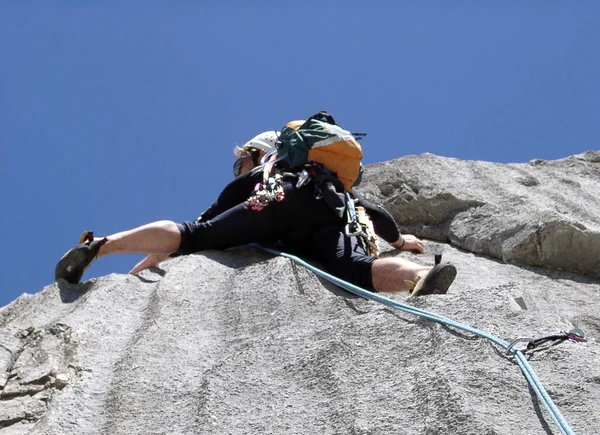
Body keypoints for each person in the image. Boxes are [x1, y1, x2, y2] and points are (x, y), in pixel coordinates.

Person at [55, 131, 456, 295]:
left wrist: (150, 261)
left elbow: (197, 230)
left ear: (256, 155)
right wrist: (402, 241)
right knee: (355, 266)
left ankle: (100, 247)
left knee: (192, 233)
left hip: (272, 206)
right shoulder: (324, 179)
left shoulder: (263, 174)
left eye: (239, 162)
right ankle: (421, 278)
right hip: (325, 219)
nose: (237, 169)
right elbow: (373, 212)